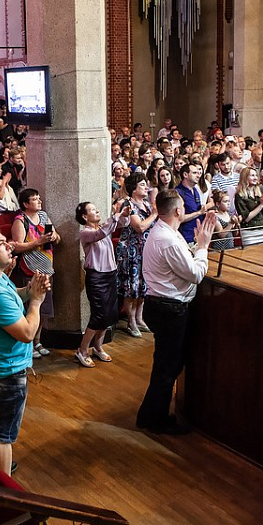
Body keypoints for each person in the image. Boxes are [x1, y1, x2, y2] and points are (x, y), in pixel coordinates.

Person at [0, 226, 51, 475]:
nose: (9, 245)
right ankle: (3, 487)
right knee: (3, 435)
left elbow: (12, 294)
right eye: (1, 243)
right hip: (7, 370)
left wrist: (29, 290)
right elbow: (27, 333)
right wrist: (36, 301)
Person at [135, 190, 216, 436]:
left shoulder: (165, 232)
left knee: (166, 364)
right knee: (167, 367)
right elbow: (195, 274)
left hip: (162, 305)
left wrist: (196, 246)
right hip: (169, 308)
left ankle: (148, 415)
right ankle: (155, 420)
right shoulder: (167, 239)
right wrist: (203, 247)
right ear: (179, 210)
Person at [75, 201, 129, 367]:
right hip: (97, 278)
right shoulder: (86, 232)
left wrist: (124, 214)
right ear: (85, 217)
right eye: (92, 209)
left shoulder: (103, 227)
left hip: (110, 275)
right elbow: (102, 233)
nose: (97, 211)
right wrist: (116, 215)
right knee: (99, 315)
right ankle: (82, 350)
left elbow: (123, 224)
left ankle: (98, 347)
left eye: (96, 208)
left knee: (110, 314)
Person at [10, 188, 61, 357]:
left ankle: (37, 341)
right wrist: (38, 241)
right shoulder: (20, 220)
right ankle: (28, 345)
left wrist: (54, 237)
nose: (39, 201)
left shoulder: (44, 216)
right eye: (35, 199)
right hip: (30, 267)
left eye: (39, 198)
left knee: (43, 309)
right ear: (25, 204)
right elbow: (17, 246)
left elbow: (56, 236)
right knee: (30, 307)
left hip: (47, 266)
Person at [114, 173, 159, 337]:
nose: (146, 187)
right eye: (142, 184)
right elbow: (139, 227)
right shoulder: (128, 204)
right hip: (131, 251)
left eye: (146, 184)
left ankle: (140, 318)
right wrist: (154, 214)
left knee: (143, 286)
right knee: (131, 287)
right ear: (133, 188)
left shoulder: (146, 204)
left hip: (146, 250)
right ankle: (131, 320)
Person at [234, 167, 263, 245]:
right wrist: (261, 205)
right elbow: (246, 218)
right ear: (245, 177)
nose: (255, 178)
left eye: (256, 175)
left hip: (262, 229)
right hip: (249, 231)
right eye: (252, 175)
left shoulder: (259, 191)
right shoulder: (239, 195)